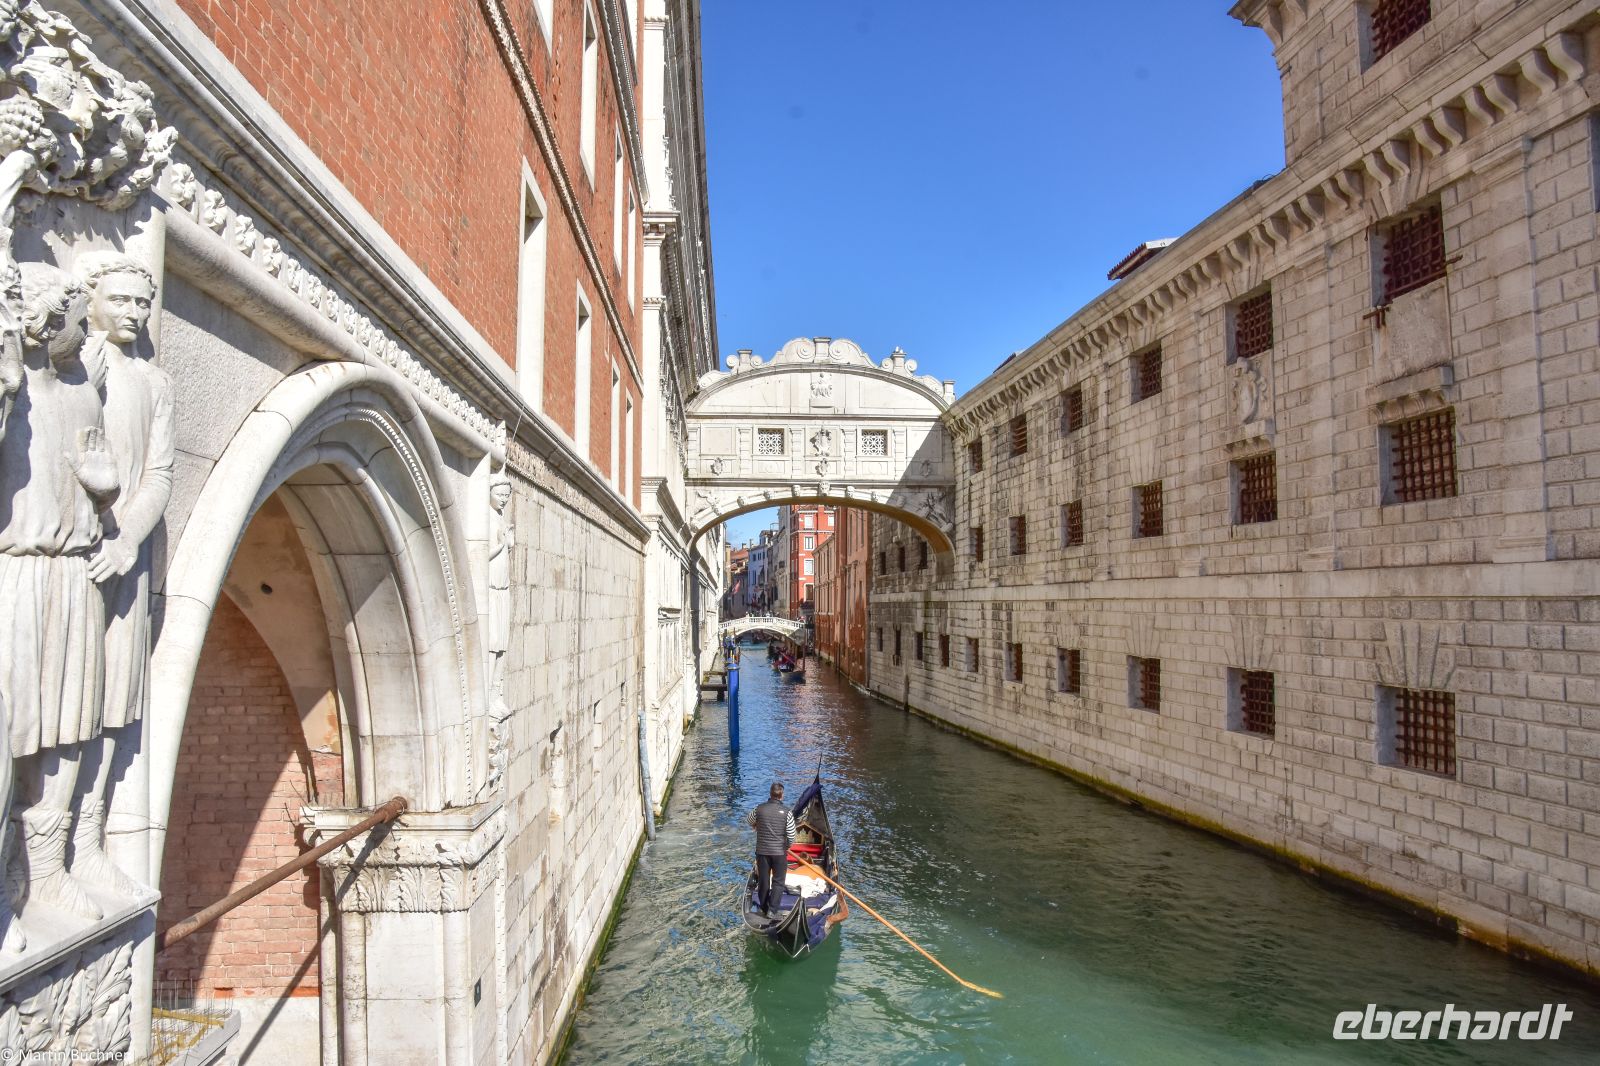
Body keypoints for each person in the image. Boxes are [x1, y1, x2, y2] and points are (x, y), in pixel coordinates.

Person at [748, 782, 796, 917]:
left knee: (763, 880)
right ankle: (772, 910)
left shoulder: (759, 809)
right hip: (779, 853)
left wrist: (756, 824)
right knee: (778, 882)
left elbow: (749, 820)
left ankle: (763, 908)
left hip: (762, 852)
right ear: (782, 795)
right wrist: (786, 847)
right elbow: (792, 836)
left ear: (770, 794)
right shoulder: (787, 812)